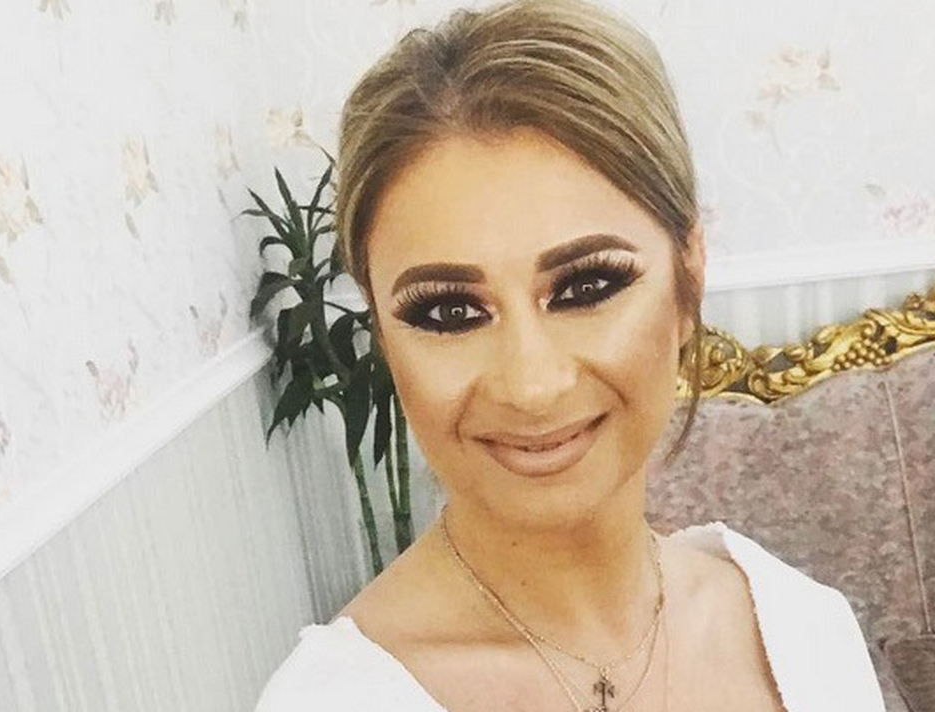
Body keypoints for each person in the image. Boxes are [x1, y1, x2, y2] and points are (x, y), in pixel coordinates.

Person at [254, 0, 886, 709]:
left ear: (689, 278)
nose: (532, 386)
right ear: (382, 334)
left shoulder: (803, 629)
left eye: (587, 287)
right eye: (450, 312)